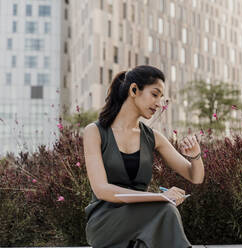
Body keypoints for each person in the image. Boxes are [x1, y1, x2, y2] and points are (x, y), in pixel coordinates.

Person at [83, 65, 205, 248]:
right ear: (133, 90)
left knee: (155, 227)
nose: (158, 103)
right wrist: (162, 198)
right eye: (155, 95)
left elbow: (195, 177)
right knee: (166, 211)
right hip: (105, 222)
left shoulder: (153, 137)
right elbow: (102, 190)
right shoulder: (95, 132)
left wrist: (195, 155)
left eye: (161, 98)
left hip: (144, 220)